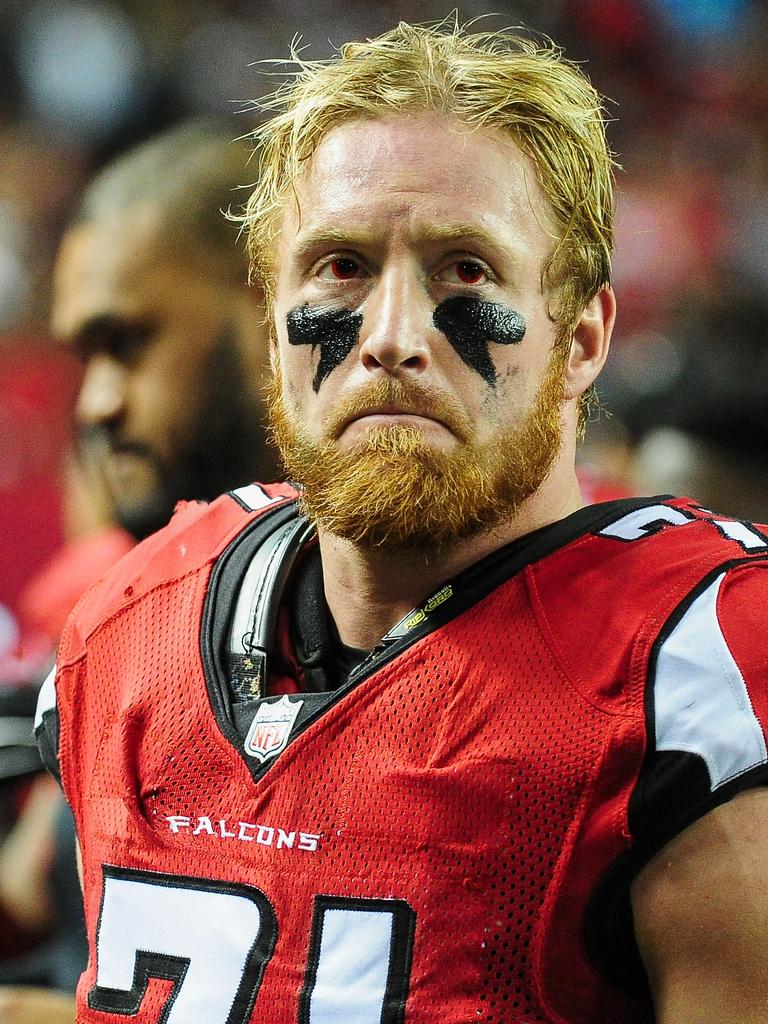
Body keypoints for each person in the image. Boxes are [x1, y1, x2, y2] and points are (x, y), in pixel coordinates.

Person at [35, 22, 768, 1023]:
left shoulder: (702, 672)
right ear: (271, 322)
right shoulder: (132, 624)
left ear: (585, 337)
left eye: (465, 271)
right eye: (339, 267)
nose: (389, 338)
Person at [1, 120, 280, 1022]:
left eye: (127, 343)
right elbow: (34, 894)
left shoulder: (382, 599)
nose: (95, 404)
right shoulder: (126, 603)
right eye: (84, 357)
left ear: (271, 300)